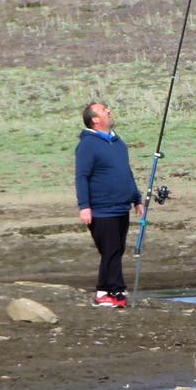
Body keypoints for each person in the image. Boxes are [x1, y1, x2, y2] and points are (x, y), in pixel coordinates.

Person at [75, 102, 144, 308]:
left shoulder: (118, 142)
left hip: (121, 206)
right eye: (105, 110)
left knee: (115, 249)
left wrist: (137, 198)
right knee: (111, 250)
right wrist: (84, 206)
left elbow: (126, 172)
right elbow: (82, 176)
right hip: (101, 208)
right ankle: (114, 290)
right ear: (95, 119)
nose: (109, 112)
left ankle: (107, 290)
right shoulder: (87, 145)